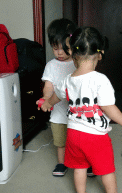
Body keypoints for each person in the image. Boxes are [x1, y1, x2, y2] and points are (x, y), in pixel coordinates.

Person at [40, 26, 122, 193]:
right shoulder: (100, 80)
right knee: (106, 169)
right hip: (95, 137)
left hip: (73, 134)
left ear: (72, 52)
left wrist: (48, 103)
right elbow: (108, 108)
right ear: (100, 54)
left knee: (79, 168)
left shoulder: (67, 80)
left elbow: (57, 96)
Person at [36, 19, 95, 177]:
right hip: (59, 114)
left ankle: (87, 163)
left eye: (64, 48)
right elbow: (48, 86)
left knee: (82, 140)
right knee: (60, 141)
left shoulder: (79, 64)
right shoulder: (51, 66)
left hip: (79, 113)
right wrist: (46, 99)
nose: (59, 53)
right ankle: (62, 163)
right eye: (55, 49)